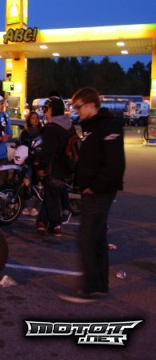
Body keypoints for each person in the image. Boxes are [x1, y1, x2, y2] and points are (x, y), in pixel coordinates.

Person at [59, 87, 125, 304]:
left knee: (86, 238)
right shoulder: (91, 126)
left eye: (78, 107)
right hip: (92, 190)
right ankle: (100, 285)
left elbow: (115, 164)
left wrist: (94, 187)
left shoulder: (108, 125)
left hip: (100, 192)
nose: (76, 111)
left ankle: (90, 288)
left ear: (90, 105)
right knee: (97, 238)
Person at [34, 96, 73, 236]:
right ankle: (42, 222)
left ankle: (56, 224)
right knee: (52, 194)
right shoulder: (69, 124)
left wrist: (41, 167)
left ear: (51, 109)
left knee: (51, 196)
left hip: (53, 168)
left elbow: (47, 151)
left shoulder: (51, 128)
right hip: (67, 167)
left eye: (48, 108)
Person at [19, 111, 42, 216]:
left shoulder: (42, 131)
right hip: (27, 161)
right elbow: (21, 145)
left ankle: (36, 207)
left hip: (38, 161)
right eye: (33, 118)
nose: (35, 120)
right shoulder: (25, 132)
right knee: (26, 183)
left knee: (38, 185)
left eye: (36, 118)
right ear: (29, 120)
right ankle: (24, 206)